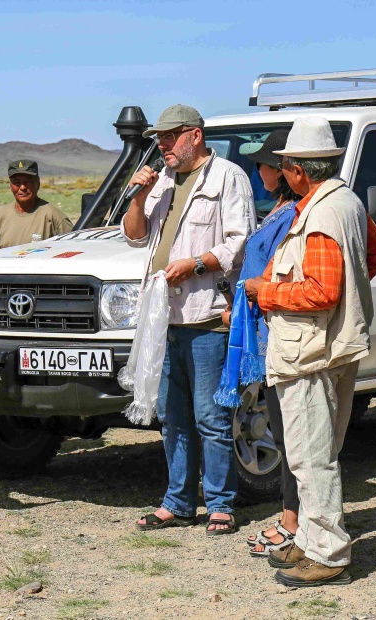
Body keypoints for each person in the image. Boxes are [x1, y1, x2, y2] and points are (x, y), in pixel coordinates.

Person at [245, 117, 376, 587]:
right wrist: (351, 293)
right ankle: (310, 541)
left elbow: (321, 292)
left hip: (309, 351)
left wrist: (265, 292)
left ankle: (327, 554)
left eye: (286, 165)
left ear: (298, 170)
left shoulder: (321, 214)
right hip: (331, 347)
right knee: (317, 451)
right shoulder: (346, 202)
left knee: (311, 458)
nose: (283, 172)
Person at [122, 104, 255, 535]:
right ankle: (177, 503)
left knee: (211, 418)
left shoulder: (228, 177)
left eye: (169, 136)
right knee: (171, 416)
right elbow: (136, 235)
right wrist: (137, 195)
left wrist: (196, 264)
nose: (162, 145)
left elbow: (240, 242)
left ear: (194, 135)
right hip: (164, 317)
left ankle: (220, 504)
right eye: (159, 138)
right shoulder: (162, 179)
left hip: (206, 314)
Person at [224, 129, 302, 556]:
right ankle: (292, 518)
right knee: (284, 430)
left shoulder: (291, 216)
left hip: (278, 331)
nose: (258, 172)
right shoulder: (279, 210)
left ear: (282, 169)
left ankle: (295, 522)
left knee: (290, 434)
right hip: (267, 330)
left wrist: (252, 297)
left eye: (262, 165)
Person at [0, 160, 73, 249]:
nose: (22, 187)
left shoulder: (53, 216)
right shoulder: (1, 216)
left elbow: (73, 247)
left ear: (38, 184)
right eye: (17, 182)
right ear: (11, 186)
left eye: (28, 181)